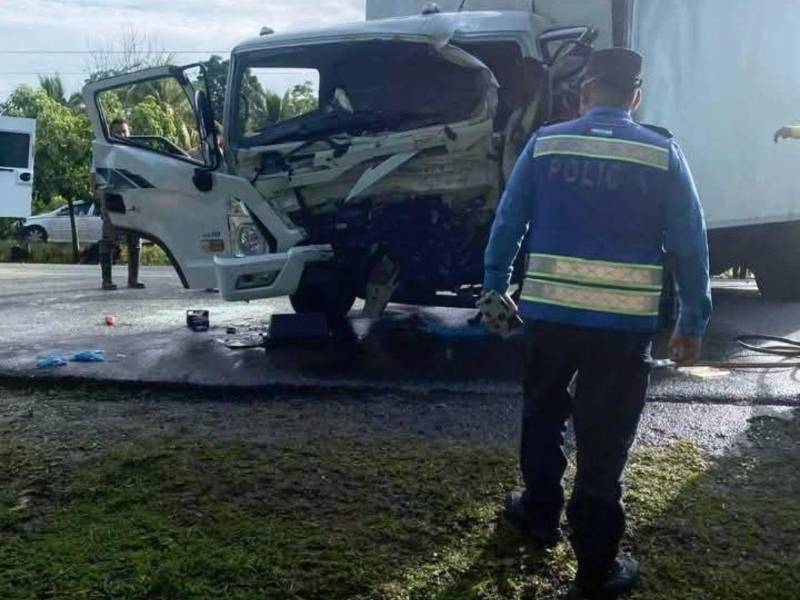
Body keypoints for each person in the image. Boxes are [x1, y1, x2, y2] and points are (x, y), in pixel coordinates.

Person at [481, 48, 712, 599]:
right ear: (635, 98)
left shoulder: (547, 143)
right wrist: (692, 320)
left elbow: (509, 220)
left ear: (583, 94)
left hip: (548, 315)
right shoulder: (662, 154)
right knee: (603, 441)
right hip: (622, 325)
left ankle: (539, 514)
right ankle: (594, 570)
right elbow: (689, 243)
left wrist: (494, 286)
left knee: (541, 414)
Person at [97, 117, 145, 291]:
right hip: (113, 201)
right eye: (117, 132)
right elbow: (98, 182)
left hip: (134, 202)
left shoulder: (137, 153)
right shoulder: (104, 154)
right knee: (108, 240)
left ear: (129, 132)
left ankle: (133, 279)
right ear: (111, 134)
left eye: (124, 131)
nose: (122, 135)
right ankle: (106, 280)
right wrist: (104, 206)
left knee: (135, 241)